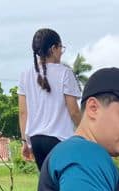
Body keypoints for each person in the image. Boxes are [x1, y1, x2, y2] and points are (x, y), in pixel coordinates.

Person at [18, 28, 82, 169]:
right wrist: (87, 133)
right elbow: (74, 112)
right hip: (59, 140)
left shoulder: (25, 75)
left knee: (48, 186)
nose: (61, 52)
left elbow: (23, 113)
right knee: (63, 185)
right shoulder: (65, 73)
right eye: (61, 48)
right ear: (54, 48)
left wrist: (25, 142)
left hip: (36, 141)